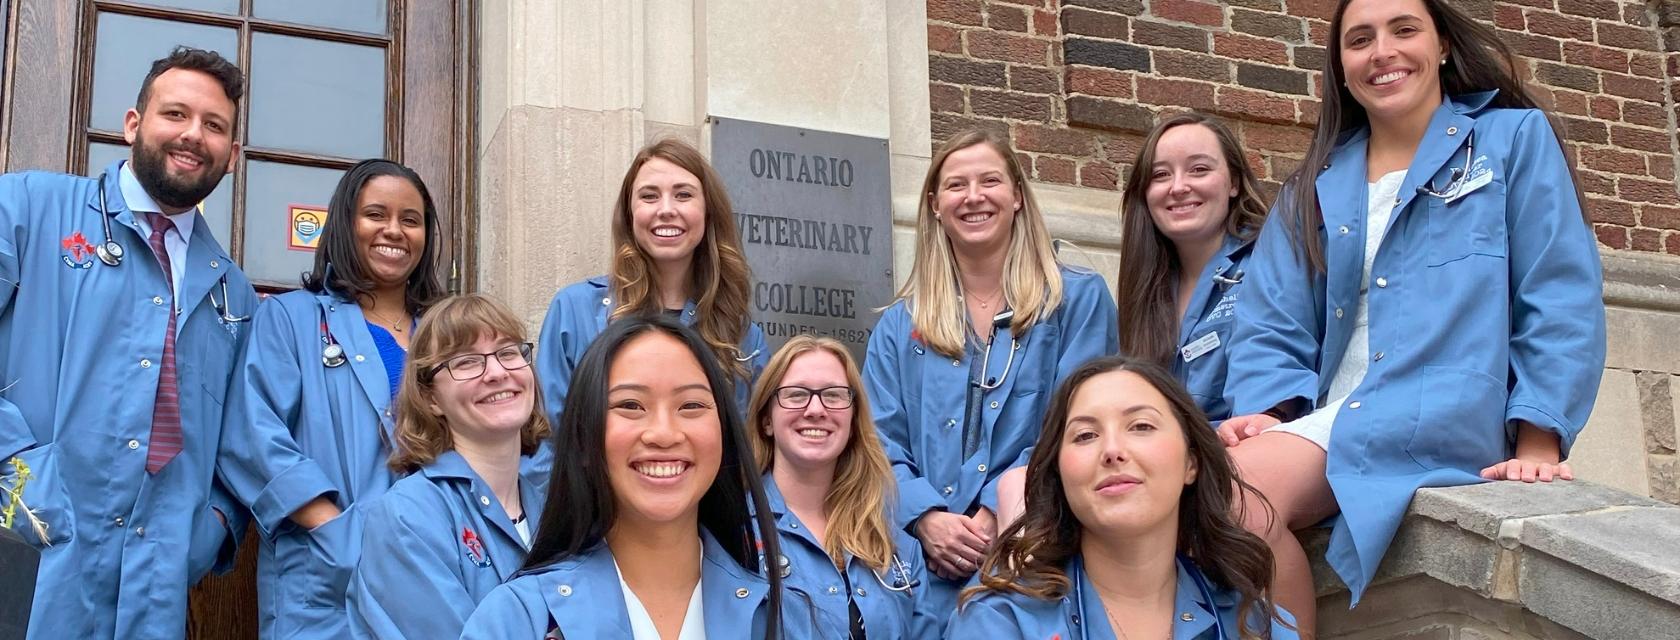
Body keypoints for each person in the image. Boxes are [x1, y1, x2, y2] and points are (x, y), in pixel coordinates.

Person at [1220, 0, 1607, 633]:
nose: (1383, 52)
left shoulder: (1511, 140)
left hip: (1442, 409)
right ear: (1341, 68)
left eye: (1404, 30)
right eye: (1360, 40)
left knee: (1232, 496)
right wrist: (1269, 411)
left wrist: (1539, 436)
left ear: (1444, 45)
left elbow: (1558, 289)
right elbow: (1269, 320)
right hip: (1327, 416)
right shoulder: (1313, 184)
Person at [0, 47, 258, 638]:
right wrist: (19, 480)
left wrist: (208, 529)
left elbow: (240, 444)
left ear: (233, 157)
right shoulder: (27, 209)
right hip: (21, 558)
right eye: (175, 114)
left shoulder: (233, 294)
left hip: (154, 591)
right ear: (133, 124)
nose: (194, 135)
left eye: (214, 126)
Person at [863, 127, 1118, 616]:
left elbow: (1076, 424)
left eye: (990, 182)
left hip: (1037, 548)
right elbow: (875, 441)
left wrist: (996, 509)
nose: (974, 197)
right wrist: (925, 517)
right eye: (957, 185)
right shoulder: (900, 326)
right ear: (936, 204)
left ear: (1017, 196)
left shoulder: (1077, 301)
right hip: (919, 563)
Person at [461, 316, 817, 639]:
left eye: (691, 406)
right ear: (584, 438)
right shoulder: (518, 620)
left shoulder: (785, 619)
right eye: (630, 405)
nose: (663, 433)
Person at [216, 159, 446, 638]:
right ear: (345, 223)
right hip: (325, 580)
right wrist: (337, 532)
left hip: (436, 570)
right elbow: (251, 436)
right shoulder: (291, 319)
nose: (394, 230)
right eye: (375, 215)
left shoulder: (447, 334)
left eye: (411, 219)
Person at [948, 356, 1297, 640]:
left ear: (1191, 462)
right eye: (1085, 435)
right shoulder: (1000, 621)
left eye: (1141, 426)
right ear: (1060, 473)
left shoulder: (1254, 624)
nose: (1112, 451)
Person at [347, 294, 551, 640]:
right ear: (430, 397)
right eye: (467, 361)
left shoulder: (556, 510)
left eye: (508, 352)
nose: (498, 373)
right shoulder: (407, 518)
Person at [537, 138, 767, 424]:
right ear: (630, 214)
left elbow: (752, 449)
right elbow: (546, 439)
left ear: (708, 213)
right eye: (649, 196)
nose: (666, 209)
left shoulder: (742, 336)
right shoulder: (573, 311)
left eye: (683, 195)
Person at [745, 336, 938, 639]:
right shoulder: (734, 536)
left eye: (833, 396)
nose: (816, 409)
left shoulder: (896, 543)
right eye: (796, 395)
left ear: (852, 420)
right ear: (766, 420)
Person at [1115, 113, 1268, 424]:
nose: (1178, 187)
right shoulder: (1146, 288)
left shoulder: (1271, 264)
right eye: (1160, 175)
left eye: (1199, 169)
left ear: (1234, 183)